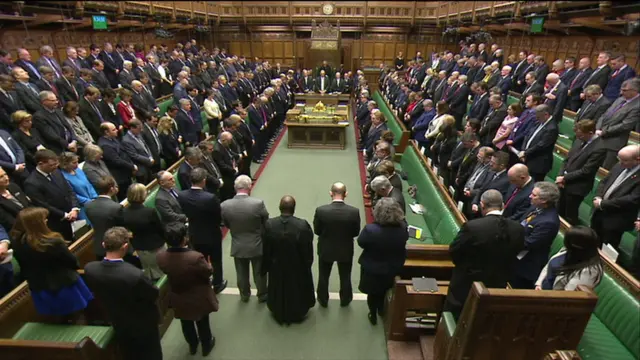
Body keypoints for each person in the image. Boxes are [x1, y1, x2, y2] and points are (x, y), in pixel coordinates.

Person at [444, 190, 524, 320]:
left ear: (482, 205)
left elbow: (454, 250)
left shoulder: (473, 227)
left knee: (457, 317)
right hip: (498, 284)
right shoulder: (518, 228)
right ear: (503, 205)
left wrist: (464, 266)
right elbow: (517, 251)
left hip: (467, 283)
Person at [84, 227, 162, 360]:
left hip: (117, 320)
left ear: (103, 245)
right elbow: (153, 294)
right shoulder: (134, 274)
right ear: (125, 246)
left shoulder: (90, 269)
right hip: (143, 323)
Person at [11, 206, 93, 319]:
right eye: (44, 219)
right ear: (37, 223)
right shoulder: (52, 241)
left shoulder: (18, 243)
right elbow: (71, 261)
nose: (46, 220)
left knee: (55, 317)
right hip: (64, 285)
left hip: (40, 287)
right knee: (77, 316)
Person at [156, 224, 218, 356]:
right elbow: (207, 272)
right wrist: (210, 266)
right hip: (198, 295)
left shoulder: (161, 257)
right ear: (185, 239)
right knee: (202, 322)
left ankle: (193, 346)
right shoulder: (195, 257)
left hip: (178, 294)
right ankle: (206, 345)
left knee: (186, 323)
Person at [261, 195, 315, 325]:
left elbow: (266, 248)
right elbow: (307, 247)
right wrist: (307, 263)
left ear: (280, 208)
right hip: (297, 266)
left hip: (276, 266)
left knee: (277, 288)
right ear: (293, 209)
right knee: (296, 288)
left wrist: (266, 265)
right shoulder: (302, 225)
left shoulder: (269, 225)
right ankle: (296, 312)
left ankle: (279, 310)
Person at [358, 198, 408, 325]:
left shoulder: (371, 230)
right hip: (392, 268)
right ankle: (381, 310)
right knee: (384, 290)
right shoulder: (402, 228)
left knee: (372, 292)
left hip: (373, 269)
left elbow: (361, 242)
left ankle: (373, 313)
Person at [178, 168, 227, 293]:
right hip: (212, 233)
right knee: (216, 260)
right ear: (204, 181)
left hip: (195, 233)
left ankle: (204, 282)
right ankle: (217, 283)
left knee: (200, 260)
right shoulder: (210, 198)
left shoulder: (182, 196)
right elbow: (218, 216)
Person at [220, 175, 269, 302]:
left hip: (238, 243)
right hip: (256, 243)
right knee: (259, 272)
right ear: (249, 187)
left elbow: (226, 224)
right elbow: (265, 221)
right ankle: (262, 294)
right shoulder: (257, 204)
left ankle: (244, 295)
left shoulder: (225, 205)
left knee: (241, 272)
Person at [313, 182, 361, 308]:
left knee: (323, 275)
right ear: (346, 194)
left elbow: (317, 231)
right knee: (345, 276)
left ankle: (323, 299)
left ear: (331, 193)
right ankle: (345, 299)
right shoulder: (354, 212)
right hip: (345, 249)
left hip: (325, 248)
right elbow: (356, 232)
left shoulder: (321, 211)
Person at [511, 182, 561, 289]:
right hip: (516, 256)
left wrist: (506, 238)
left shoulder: (549, 222)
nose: (530, 196)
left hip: (526, 267)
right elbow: (520, 222)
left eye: (534, 195)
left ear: (544, 200)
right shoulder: (535, 207)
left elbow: (528, 243)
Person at [556, 120, 606, 225]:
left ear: (590, 133)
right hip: (564, 182)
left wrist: (564, 178)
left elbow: (586, 171)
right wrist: (561, 175)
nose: (578, 138)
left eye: (581, 136)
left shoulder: (600, 148)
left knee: (570, 215)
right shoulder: (579, 139)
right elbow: (567, 159)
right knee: (558, 210)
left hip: (577, 187)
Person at [590, 144, 640, 250]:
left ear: (637, 160)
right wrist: (598, 196)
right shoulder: (620, 164)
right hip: (599, 212)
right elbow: (604, 181)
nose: (620, 163)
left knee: (607, 250)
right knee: (592, 241)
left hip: (616, 219)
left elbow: (632, 199)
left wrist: (603, 204)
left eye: (624, 161)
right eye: (619, 159)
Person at [23, 149, 79, 241]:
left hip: (74, 215)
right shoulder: (31, 183)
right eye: (52, 165)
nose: (56, 167)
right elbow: (43, 205)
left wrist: (75, 208)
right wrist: (65, 215)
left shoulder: (56, 172)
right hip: (58, 222)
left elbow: (69, 190)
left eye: (56, 164)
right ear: (41, 164)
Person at [535, 226, 603, 291]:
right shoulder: (569, 250)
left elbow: (567, 295)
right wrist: (539, 284)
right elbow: (549, 265)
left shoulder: (589, 271)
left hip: (552, 299)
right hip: (541, 290)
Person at [123, 183, 166, 281]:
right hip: (156, 246)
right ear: (142, 195)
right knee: (162, 271)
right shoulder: (149, 212)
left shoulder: (124, 212)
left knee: (148, 269)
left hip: (139, 247)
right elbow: (160, 228)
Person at [59, 152, 97, 222]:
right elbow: (72, 194)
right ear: (65, 164)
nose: (77, 164)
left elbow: (88, 184)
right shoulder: (63, 177)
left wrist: (95, 197)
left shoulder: (78, 170)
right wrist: (88, 201)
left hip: (93, 201)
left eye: (77, 162)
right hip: (81, 207)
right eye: (74, 163)